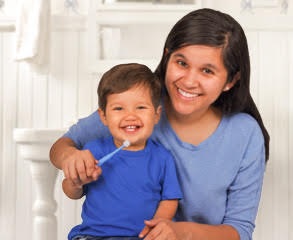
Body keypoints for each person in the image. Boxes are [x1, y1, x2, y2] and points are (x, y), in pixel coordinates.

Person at [50, 8, 270, 240]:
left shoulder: (245, 134)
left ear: (231, 80)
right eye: (182, 63)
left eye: (207, 70)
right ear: (167, 58)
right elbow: (63, 145)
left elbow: (239, 231)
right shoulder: (135, 111)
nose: (189, 80)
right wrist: (70, 159)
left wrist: (181, 232)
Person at [62, 63, 183, 240]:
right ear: (103, 116)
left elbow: (170, 199)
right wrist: (76, 182)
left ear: (156, 115)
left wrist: (157, 227)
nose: (130, 116)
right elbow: (71, 191)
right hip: (93, 236)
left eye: (140, 107)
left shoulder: (162, 158)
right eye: (119, 108)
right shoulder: (93, 150)